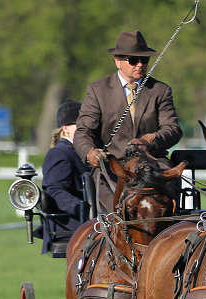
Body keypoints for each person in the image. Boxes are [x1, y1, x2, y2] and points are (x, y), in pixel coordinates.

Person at [74, 30, 182, 213]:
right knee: (116, 218)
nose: (140, 64)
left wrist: (150, 139)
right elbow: (83, 131)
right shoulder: (97, 90)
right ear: (117, 61)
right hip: (113, 168)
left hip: (153, 166)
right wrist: (89, 152)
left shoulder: (160, 90)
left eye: (144, 60)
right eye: (133, 60)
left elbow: (172, 129)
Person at [38, 99, 89, 255]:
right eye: (81, 125)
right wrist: (86, 208)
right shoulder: (60, 153)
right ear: (66, 129)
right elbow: (55, 190)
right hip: (72, 224)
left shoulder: (82, 151)